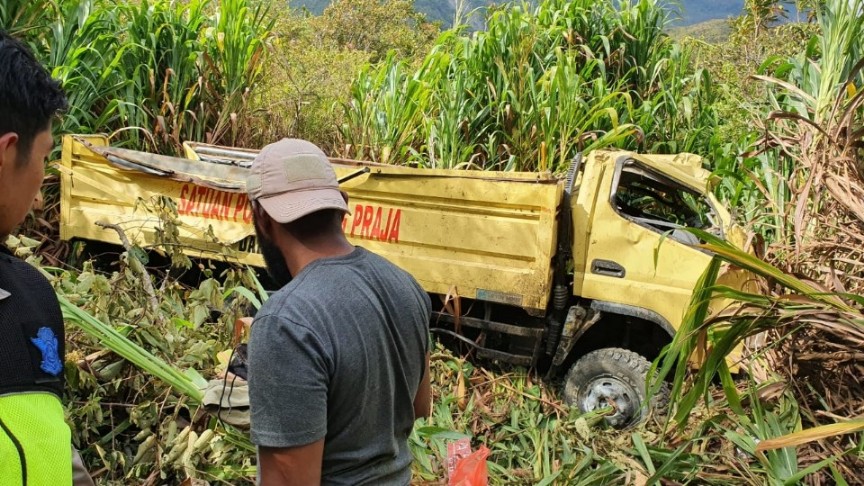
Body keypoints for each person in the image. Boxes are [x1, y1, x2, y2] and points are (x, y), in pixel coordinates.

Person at [246, 139, 432, 485]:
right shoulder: (407, 287)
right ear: (343, 204)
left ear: (260, 217)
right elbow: (419, 406)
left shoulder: (285, 322)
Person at [0, 30, 94, 485]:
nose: (39, 194)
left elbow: (52, 445)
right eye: (43, 156)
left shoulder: (30, 294)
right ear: (6, 152)